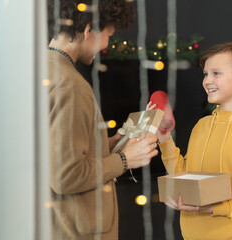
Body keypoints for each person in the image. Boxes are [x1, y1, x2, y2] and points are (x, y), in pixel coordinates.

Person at [47, 0, 158, 239]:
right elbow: (66, 176)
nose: (107, 44)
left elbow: (54, 153)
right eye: (109, 34)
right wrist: (125, 159)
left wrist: (111, 142)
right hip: (74, 230)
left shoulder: (39, 70)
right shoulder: (70, 86)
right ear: (89, 29)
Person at [147, 41, 232, 239]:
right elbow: (186, 177)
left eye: (216, 73)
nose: (207, 80)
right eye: (205, 74)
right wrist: (164, 138)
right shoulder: (202, 126)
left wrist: (213, 207)